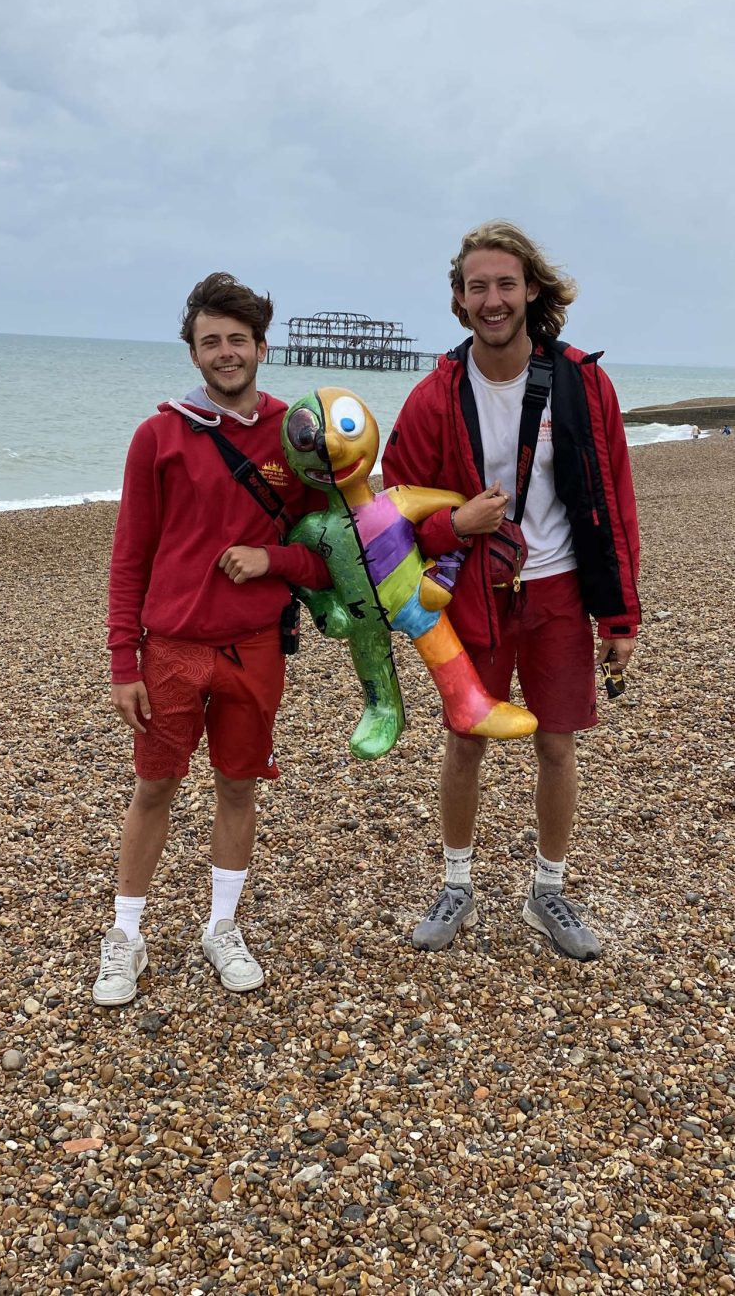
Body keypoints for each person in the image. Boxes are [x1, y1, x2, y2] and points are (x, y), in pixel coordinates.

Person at [382, 221, 641, 961]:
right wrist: (452, 526)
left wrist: (620, 613)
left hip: (558, 589)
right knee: (464, 742)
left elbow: (615, 502)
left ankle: (547, 891)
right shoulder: (435, 396)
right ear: (459, 303)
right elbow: (391, 510)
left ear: (531, 289)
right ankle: (456, 884)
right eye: (477, 288)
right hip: (472, 596)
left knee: (556, 746)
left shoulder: (582, 383)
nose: (492, 300)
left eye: (505, 284)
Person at [95, 273, 330, 1006]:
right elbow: (130, 553)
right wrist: (121, 660)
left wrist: (275, 560)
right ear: (193, 354)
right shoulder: (158, 435)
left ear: (262, 346)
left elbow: (333, 551)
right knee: (154, 786)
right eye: (210, 342)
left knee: (238, 787)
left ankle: (221, 927)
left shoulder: (298, 435)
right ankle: (126, 936)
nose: (225, 352)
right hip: (170, 648)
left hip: (255, 646)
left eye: (238, 339)